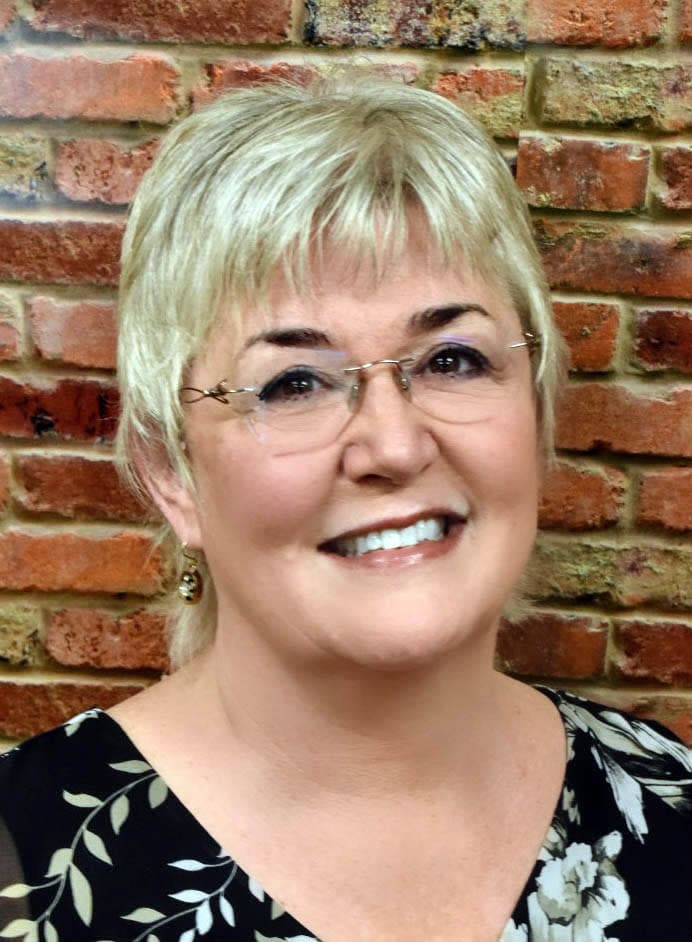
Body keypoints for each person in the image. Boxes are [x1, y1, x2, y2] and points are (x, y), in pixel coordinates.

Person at [1, 76, 691, 942]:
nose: (394, 447)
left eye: (451, 360)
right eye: (294, 383)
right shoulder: (21, 865)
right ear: (171, 471)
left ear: (538, 408)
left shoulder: (672, 806)